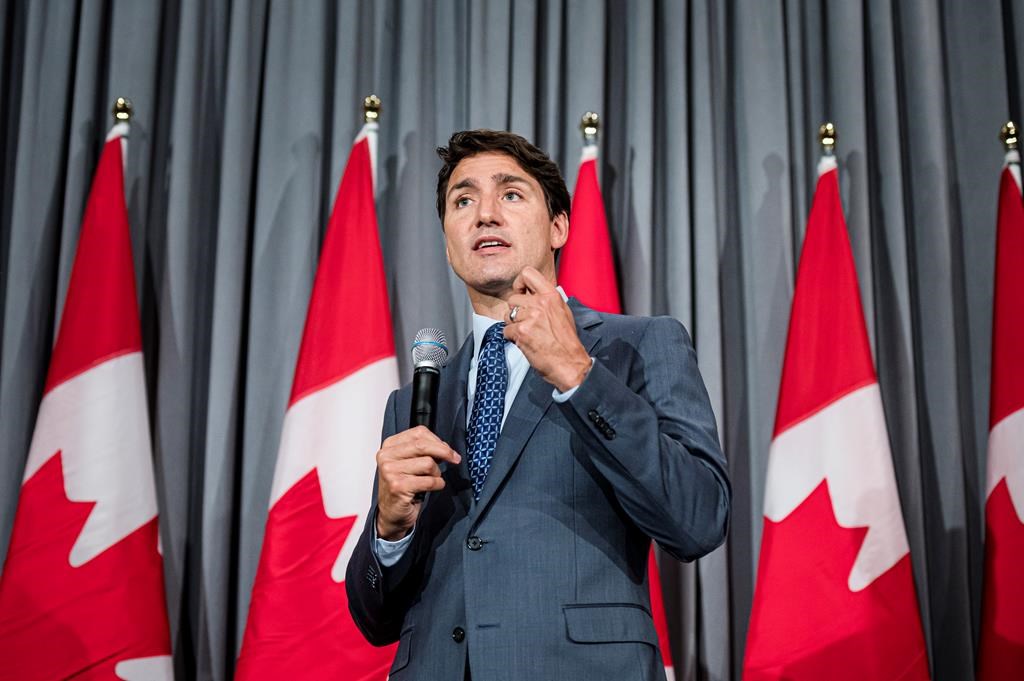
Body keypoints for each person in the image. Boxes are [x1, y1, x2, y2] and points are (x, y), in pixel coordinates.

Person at [346, 129, 730, 681]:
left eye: (510, 194)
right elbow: (375, 620)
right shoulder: (413, 401)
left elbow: (699, 519)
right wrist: (389, 529)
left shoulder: (636, 347)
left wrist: (580, 377)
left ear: (558, 227)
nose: (484, 214)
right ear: (448, 239)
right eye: (463, 200)